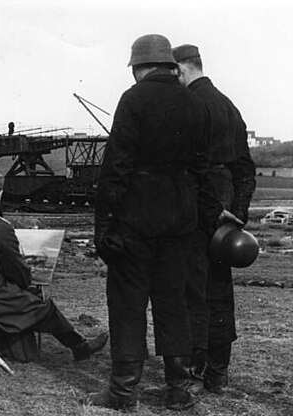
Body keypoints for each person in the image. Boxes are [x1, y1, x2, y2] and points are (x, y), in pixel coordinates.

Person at [85, 34, 221, 411]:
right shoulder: (194, 103)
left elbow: (116, 167)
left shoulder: (134, 99)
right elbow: (201, 170)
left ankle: (123, 392)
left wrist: (103, 225)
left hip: (136, 218)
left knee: (128, 302)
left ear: (138, 67)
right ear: (169, 65)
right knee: (173, 302)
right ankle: (179, 387)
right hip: (180, 220)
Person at [0, 170, 108, 365]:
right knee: (45, 309)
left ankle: (20, 348)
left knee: (21, 298)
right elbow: (20, 275)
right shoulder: (1, 227)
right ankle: (80, 347)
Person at [172, 44, 256, 394]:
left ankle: (192, 371)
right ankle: (217, 374)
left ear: (180, 69)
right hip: (226, 212)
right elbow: (245, 169)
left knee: (193, 292)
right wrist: (238, 212)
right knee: (220, 293)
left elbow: (192, 169)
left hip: (197, 210)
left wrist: (209, 210)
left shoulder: (189, 106)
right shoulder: (229, 107)